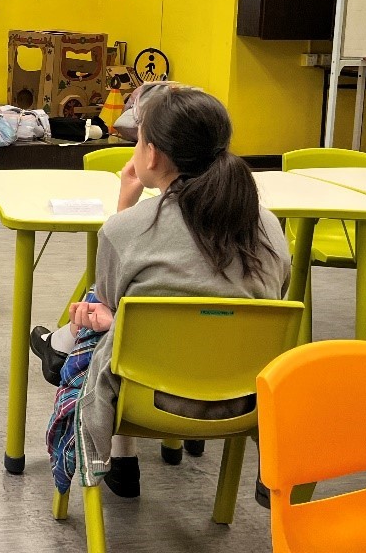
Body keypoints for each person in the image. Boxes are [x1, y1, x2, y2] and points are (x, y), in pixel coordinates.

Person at [30, 87, 289, 499]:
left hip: (149, 398)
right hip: (241, 400)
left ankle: (59, 351)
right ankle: (57, 346)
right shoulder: (269, 226)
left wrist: (125, 206)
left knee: (99, 321)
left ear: (151, 155)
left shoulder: (126, 229)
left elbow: (110, 296)